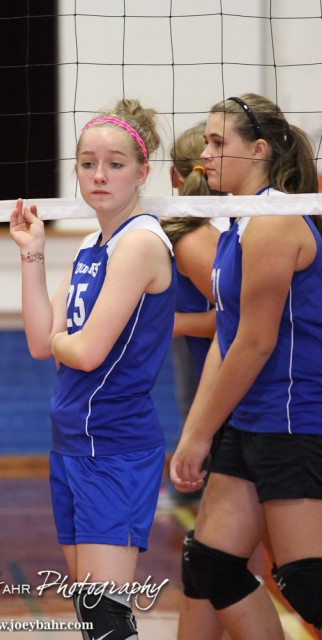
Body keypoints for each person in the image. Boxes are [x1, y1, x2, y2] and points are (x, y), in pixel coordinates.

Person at [10, 98, 176, 640]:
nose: (99, 175)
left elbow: (86, 354)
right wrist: (32, 251)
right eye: (87, 163)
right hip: (71, 443)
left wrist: (66, 343)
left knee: (106, 620)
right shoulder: (90, 245)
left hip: (115, 447)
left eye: (115, 163)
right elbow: (42, 343)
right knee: (94, 618)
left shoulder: (141, 243)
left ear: (143, 172)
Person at [170, 92, 322, 639]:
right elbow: (227, 339)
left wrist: (200, 433)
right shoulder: (238, 224)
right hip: (250, 420)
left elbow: (255, 344)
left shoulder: (275, 222)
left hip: (293, 420)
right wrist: (195, 433)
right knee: (211, 564)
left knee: (307, 585)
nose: (204, 155)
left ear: (258, 151)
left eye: (218, 143)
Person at [161, 125, 231, 640]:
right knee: (214, 560)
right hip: (218, 379)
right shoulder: (180, 230)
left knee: (225, 558)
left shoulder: (199, 237)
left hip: (244, 391)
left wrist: (170, 322)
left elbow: (245, 322)